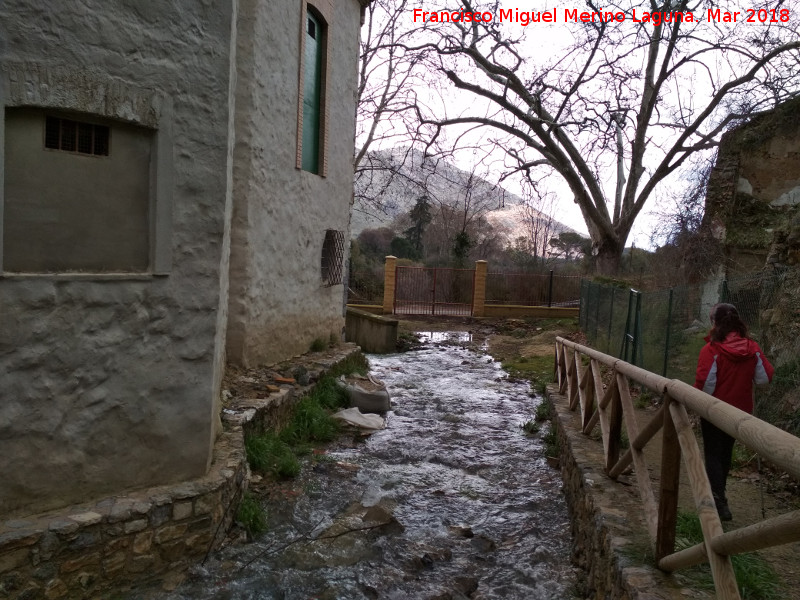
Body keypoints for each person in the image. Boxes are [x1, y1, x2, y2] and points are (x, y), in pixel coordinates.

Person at [694, 303, 773, 521]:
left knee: (712, 453)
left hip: (714, 410)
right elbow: (764, 379)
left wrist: (696, 402)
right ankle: (720, 496)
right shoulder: (752, 349)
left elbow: (706, 383)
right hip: (739, 412)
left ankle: (718, 501)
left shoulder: (712, 350)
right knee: (725, 453)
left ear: (715, 323)